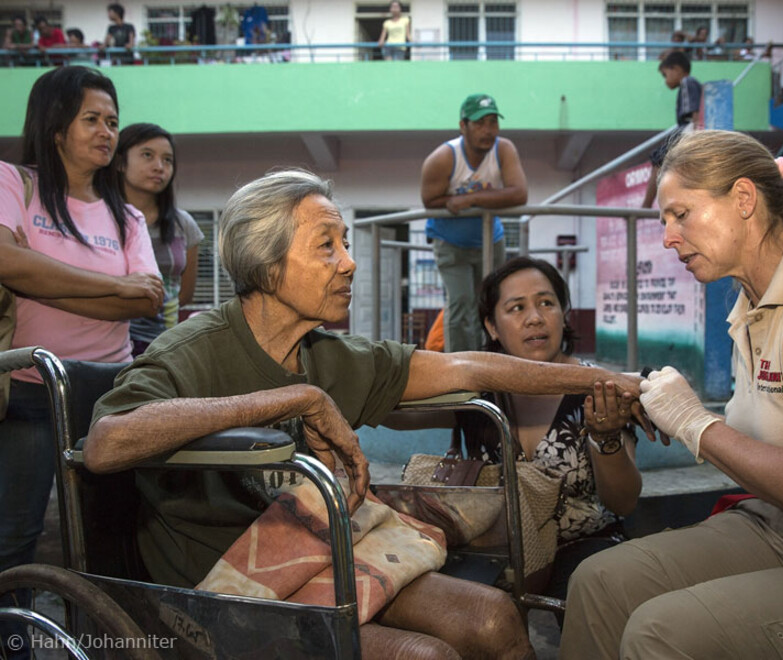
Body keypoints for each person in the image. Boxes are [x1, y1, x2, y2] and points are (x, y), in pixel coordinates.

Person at [85, 168, 649, 659]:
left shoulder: (330, 356)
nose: (350, 263)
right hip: (225, 584)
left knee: (495, 619)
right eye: (326, 246)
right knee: (423, 656)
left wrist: (612, 382)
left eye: (346, 243)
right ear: (268, 265)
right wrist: (294, 399)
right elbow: (106, 443)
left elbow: (468, 368)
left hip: (321, 551)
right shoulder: (193, 350)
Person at [560, 130, 783, 659]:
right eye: (664, 221)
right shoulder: (748, 307)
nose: (668, 238)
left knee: (662, 631)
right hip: (779, 523)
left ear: (744, 199)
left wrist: (694, 423)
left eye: (680, 215)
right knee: (598, 583)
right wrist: (670, 410)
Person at [0, 65, 162, 658]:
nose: (106, 131)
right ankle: (13, 645)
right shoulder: (13, 182)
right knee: (15, 535)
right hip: (28, 385)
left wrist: (43, 278)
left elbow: (150, 297)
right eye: (91, 119)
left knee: (105, 536)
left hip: (108, 395)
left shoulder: (127, 215)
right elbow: (6, 264)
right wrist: (114, 287)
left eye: (112, 121)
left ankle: (101, 645)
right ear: (55, 125)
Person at [463, 257, 640, 610]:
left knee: (588, 593)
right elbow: (391, 407)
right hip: (497, 550)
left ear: (564, 313)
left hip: (583, 547)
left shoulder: (598, 387)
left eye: (546, 303)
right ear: (492, 326)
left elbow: (623, 503)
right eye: (517, 308)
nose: (535, 318)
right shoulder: (476, 395)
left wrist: (605, 438)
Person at [420, 93, 528, 352]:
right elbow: (429, 200)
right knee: (461, 301)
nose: (487, 130)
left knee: (491, 301)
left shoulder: (504, 149)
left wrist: (470, 199)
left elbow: (519, 194)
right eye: (479, 123)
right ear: (463, 126)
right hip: (450, 242)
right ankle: (460, 365)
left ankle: (492, 358)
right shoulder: (444, 158)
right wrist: (489, 198)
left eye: (493, 122)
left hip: (491, 239)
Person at [117, 123, 205, 355]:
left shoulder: (183, 224)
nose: (159, 167)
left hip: (163, 345)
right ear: (120, 162)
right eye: (147, 155)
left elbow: (185, 293)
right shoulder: (101, 218)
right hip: (111, 343)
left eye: (167, 160)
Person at [641, 51, 702, 209]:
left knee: (659, 159)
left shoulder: (687, 82)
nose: (665, 80)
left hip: (689, 130)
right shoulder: (687, 84)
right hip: (687, 129)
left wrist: (696, 137)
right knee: (660, 160)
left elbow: (695, 112)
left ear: (676, 69)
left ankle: (646, 205)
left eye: (665, 74)